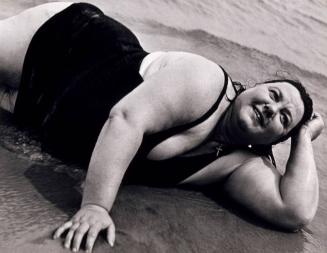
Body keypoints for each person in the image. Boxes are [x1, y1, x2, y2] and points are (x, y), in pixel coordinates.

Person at [0, 2, 324, 252]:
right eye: (274, 94)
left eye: (284, 118)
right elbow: (125, 121)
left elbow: (293, 212)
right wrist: (96, 206)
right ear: (254, 87)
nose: (272, 109)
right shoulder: (205, 81)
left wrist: (303, 139)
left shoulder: (234, 162)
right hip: (60, 44)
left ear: (279, 138)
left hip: (32, 112)